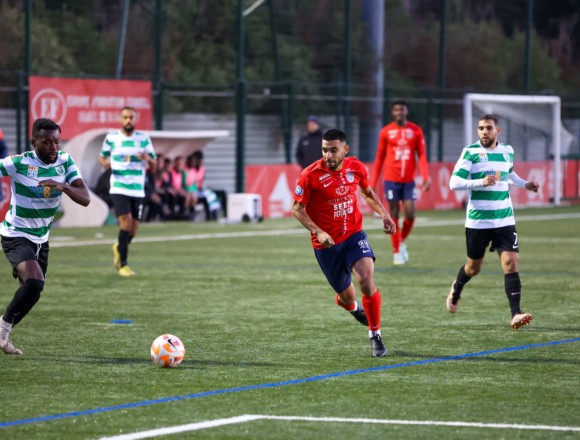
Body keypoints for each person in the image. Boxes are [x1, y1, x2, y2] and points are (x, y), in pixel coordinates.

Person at [292, 129, 396, 357]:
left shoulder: (356, 167)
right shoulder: (310, 175)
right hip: (327, 246)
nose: (328, 155)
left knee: (366, 280)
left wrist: (384, 214)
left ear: (345, 150)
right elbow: (297, 209)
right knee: (347, 297)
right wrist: (318, 232)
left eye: (333, 150)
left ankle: (375, 334)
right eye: (324, 150)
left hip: (354, 236)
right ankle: (352, 307)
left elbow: (367, 192)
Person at [0, 118, 90, 355]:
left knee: (33, 292)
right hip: (16, 233)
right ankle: (2, 329)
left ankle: (4, 332)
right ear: (34, 142)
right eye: (47, 142)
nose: (54, 147)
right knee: (35, 282)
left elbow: (85, 197)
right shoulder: (19, 163)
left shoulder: (65, 161)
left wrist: (64, 187)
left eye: (57, 142)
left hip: (42, 238)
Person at [447, 114, 539, 330]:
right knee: (473, 268)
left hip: (504, 219)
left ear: (498, 131)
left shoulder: (507, 150)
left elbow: (510, 174)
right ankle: (457, 286)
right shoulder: (470, 152)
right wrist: (480, 182)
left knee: (510, 263)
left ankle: (516, 313)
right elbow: (454, 183)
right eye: (480, 128)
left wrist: (526, 184)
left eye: (488, 128)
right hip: (478, 222)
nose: (484, 132)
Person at [370, 100, 431, 265]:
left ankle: (400, 241)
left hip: (409, 180)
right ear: (392, 112)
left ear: (406, 112)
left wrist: (426, 176)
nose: (399, 113)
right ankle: (396, 251)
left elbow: (422, 156)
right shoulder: (386, 132)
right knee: (394, 214)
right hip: (391, 180)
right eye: (396, 110)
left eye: (402, 110)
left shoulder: (416, 131)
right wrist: (373, 182)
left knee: (411, 214)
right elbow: (379, 158)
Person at [99, 106, 156, 277]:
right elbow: (102, 157)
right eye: (125, 117)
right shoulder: (112, 138)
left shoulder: (144, 139)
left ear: (135, 119)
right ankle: (123, 265)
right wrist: (105, 163)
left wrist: (147, 159)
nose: (128, 120)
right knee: (125, 222)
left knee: (134, 229)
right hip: (119, 186)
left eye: (131, 117)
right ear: (120, 119)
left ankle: (119, 246)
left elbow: (154, 164)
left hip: (137, 189)